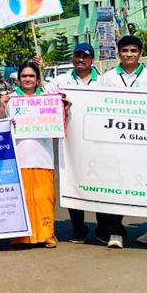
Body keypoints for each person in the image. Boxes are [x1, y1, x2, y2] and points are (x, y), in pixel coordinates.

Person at [95, 35, 147, 249]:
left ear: (140, 53)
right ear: (119, 53)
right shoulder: (107, 78)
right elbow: (97, 104)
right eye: (125, 51)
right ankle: (116, 232)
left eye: (133, 51)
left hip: (145, 142)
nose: (129, 55)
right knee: (116, 186)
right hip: (116, 141)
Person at [0, 62, 56, 248]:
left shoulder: (47, 99)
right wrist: (2, 107)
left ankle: (47, 235)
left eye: (31, 76)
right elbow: (2, 125)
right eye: (24, 76)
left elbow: (57, 120)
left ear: (37, 78)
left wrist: (63, 109)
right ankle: (21, 237)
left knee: (44, 198)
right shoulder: (11, 99)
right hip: (20, 156)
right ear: (18, 79)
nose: (28, 79)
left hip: (43, 156)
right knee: (22, 199)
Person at [51, 43, 100, 243]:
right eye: (77, 55)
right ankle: (78, 228)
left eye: (85, 56)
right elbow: (42, 97)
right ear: (72, 58)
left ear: (92, 60)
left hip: (96, 141)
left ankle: (103, 228)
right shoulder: (60, 81)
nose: (81, 59)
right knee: (72, 182)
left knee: (99, 183)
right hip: (69, 141)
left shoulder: (103, 82)